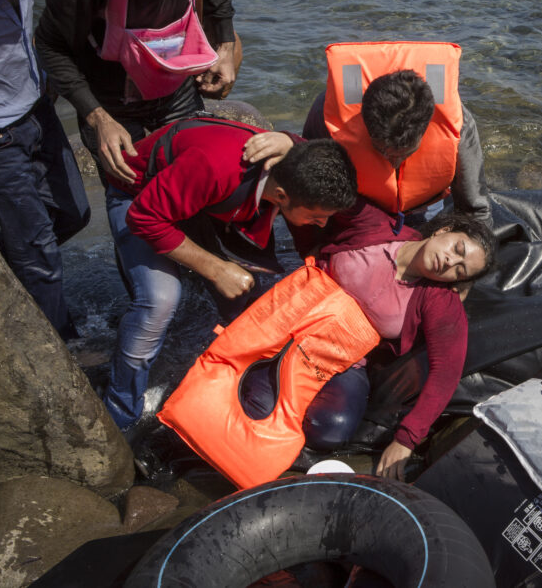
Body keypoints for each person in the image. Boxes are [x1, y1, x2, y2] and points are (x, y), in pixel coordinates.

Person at [103, 117, 357, 430]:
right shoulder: (214, 167)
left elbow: (321, 154)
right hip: (136, 198)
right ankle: (120, 413)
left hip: (202, 203)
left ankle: (232, 388)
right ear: (280, 194)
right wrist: (216, 268)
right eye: (316, 217)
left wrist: (290, 139)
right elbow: (143, 218)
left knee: (253, 302)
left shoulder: (290, 160)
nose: (320, 224)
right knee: (161, 300)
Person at [242, 198, 495, 480]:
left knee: (331, 429)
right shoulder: (374, 227)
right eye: (456, 248)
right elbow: (318, 193)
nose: (450, 261)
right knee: (254, 407)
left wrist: (405, 440)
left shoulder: (440, 302)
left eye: (460, 270)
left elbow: (446, 372)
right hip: (287, 324)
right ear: (442, 230)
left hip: (341, 360)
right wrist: (306, 243)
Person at [34, 0, 241, 185]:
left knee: (199, 179)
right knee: (128, 191)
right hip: (110, 102)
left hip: (177, 88)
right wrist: (98, 119)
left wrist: (226, 47)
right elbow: (50, 45)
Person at [245, 41, 493, 232]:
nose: (391, 161)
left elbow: (475, 210)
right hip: (357, 211)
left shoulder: (459, 124)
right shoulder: (327, 112)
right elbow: (311, 184)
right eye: (381, 149)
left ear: (427, 127)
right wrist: (289, 141)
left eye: (403, 153)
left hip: (426, 212)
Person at [0, 0, 90, 340]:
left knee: (74, 213)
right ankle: (62, 347)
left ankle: (5, 266)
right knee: (40, 255)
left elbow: (25, 29)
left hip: (37, 106)